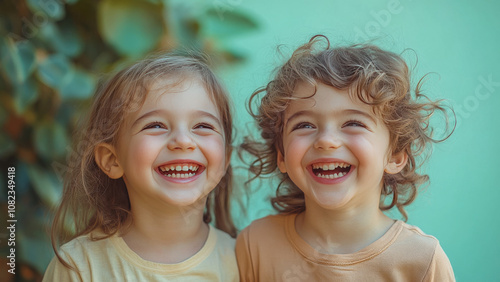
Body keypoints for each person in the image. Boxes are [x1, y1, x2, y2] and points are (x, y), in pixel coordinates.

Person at [236, 35, 455, 281]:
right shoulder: (256, 244)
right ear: (282, 156)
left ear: (394, 156)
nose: (326, 140)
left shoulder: (422, 260)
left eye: (352, 123)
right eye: (305, 125)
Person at [43, 54, 239, 281]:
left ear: (225, 158)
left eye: (203, 125)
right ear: (112, 160)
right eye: (155, 125)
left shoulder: (244, 260)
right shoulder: (78, 266)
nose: (184, 141)